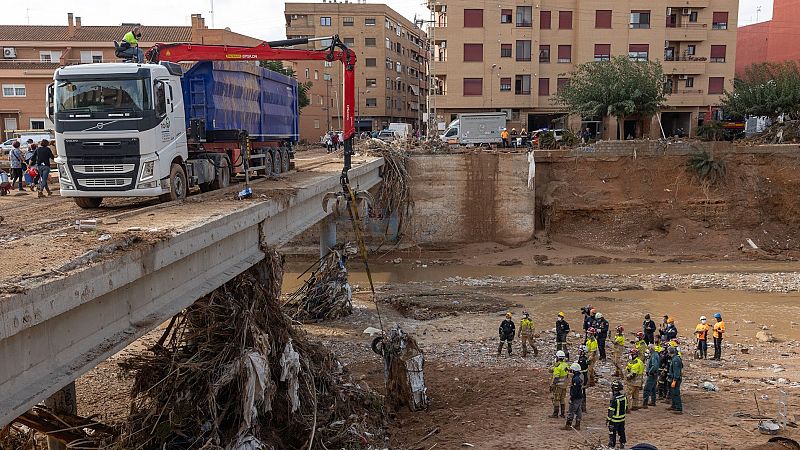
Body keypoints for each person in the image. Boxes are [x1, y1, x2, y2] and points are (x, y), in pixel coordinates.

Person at [562, 362, 584, 430]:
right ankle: (577, 424)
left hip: (576, 397)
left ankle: (568, 425)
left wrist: (572, 398)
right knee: (578, 411)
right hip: (580, 397)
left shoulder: (575, 379)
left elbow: (575, 390)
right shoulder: (580, 376)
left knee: (571, 411)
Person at [607, 380, 628, 449]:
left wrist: (608, 419)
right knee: (622, 432)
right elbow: (626, 407)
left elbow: (611, 411)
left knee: (612, 433)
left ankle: (612, 445)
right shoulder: (624, 397)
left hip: (614, 420)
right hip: (622, 419)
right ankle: (622, 444)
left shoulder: (614, 399)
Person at [550, 350, 570, 419]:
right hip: (564, 385)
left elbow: (556, 377)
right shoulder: (565, 365)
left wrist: (553, 385)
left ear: (557, 358)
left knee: (556, 399)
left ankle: (555, 414)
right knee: (562, 399)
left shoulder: (557, 367)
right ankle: (562, 413)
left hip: (558, 386)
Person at [667, 346, 683, 414]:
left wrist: (674, 380)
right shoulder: (675, 358)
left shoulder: (675, 360)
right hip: (673, 378)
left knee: (676, 393)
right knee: (673, 393)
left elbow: (677, 371)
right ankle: (674, 405)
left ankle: (679, 408)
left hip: (675, 379)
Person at [577, 346, 589, 413]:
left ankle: (581, 407)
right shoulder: (584, 359)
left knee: (580, 392)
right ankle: (583, 407)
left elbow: (579, 369)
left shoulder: (582, 360)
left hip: (582, 378)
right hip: (584, 377)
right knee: (583, 392)